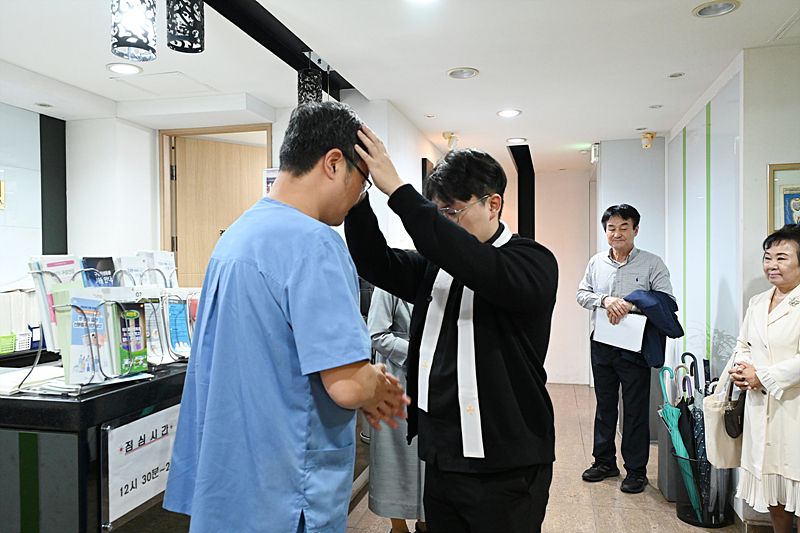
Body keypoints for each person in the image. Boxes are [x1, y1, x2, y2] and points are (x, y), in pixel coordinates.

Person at [163, 102, 408, 533]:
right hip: (286, 492)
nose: (358, 197)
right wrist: (374, 381)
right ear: (334, 163)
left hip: (231, 486)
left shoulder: (235, 237)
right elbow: (348, 386)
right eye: (363, 182)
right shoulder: (316, 243)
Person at [345, 127, 559, 533]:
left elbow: (475, 263)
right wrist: (358, 199)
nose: (443, 221)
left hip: (505, 464)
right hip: (442, 457)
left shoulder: (532, 262)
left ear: (493, 204)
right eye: (437, 211)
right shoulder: (437, 268)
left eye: (452, 211)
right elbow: (376, 262)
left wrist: (399, 192)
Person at [576, 204, 676, 494]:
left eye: (623, 227)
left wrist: (631, 304)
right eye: (611, 228)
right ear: (605, 231)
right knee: (605, 405)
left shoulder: (652, 263)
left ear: (635, 230)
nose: (617, 233)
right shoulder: (596, 262)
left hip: (635, 347)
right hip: (602, 343)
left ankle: (636, 471)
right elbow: (582, 294)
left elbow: (667, 301)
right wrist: (605, 300)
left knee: (634, 409)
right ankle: (604, 462)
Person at [723, 225, 800, 533]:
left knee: (796, 481)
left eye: (782, 257)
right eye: (768, 257)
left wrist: (763, 376)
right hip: (760, 406)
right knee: (773, 486)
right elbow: (743, 344)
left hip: (793, 407)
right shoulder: (758, 301)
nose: (772, 265)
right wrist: (742, 369)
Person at [367, 287, 426, 533]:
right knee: (396, 455)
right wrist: (420, 353)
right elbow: (376, 333)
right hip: (397, 379)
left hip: (433, 377)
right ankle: (399, 528)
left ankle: (425, 523)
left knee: (428, 457)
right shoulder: (387, 283)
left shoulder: (442, 273)